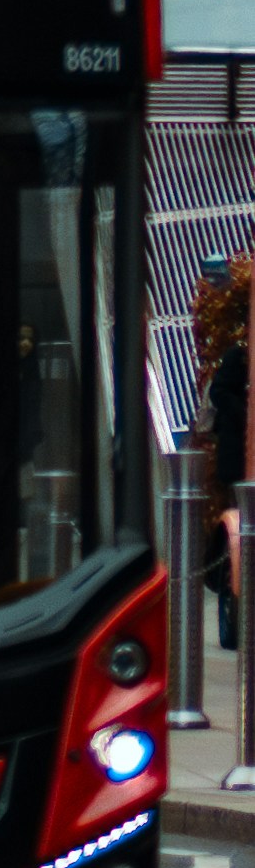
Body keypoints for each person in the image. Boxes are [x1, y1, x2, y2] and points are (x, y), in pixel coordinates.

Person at [194, 255, 251, 652]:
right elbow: (219, 391)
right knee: (241, 516)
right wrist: (243, 412)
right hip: (237, 453)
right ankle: (231, 584)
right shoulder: (238, 356)